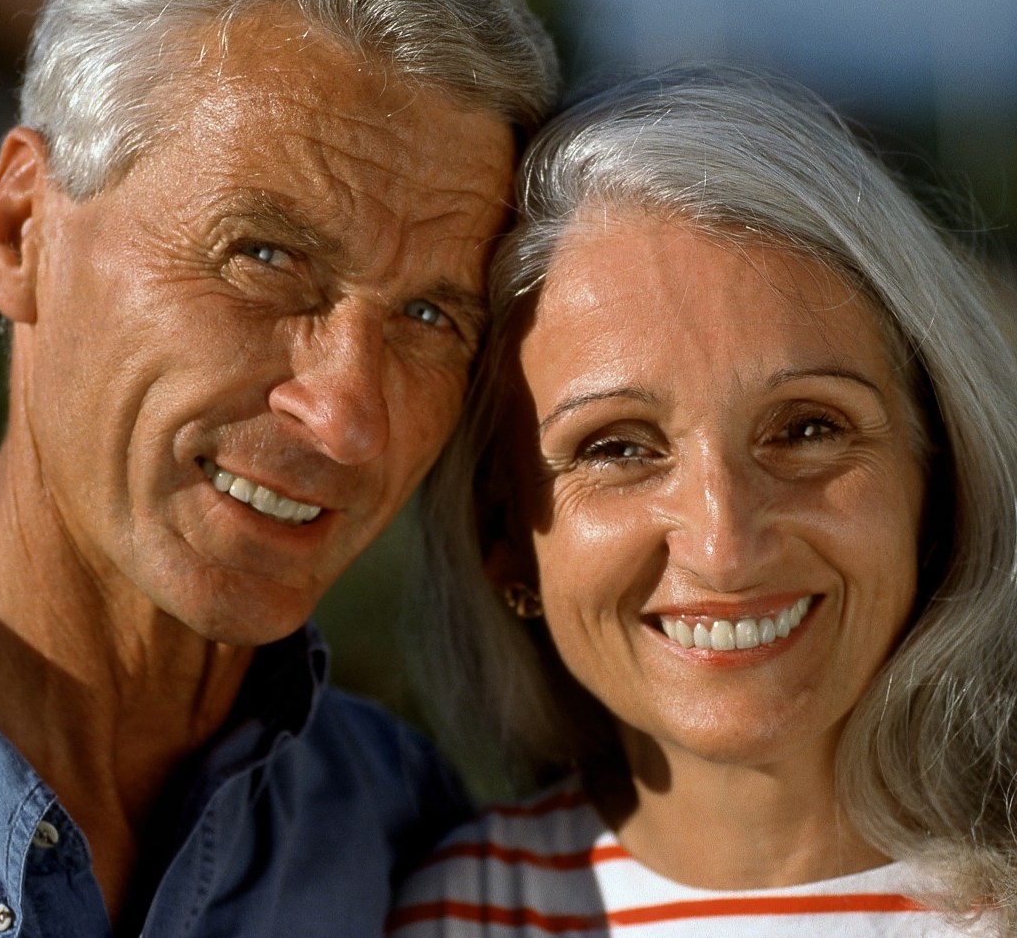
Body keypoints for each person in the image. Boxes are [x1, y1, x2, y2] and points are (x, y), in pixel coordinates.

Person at [0, 0, 558, 934]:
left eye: (430, 317)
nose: (347, 419)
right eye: (263, 257)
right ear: (21, 230)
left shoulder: (415, 846)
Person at [389, 66, 1017, 935]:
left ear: (935, 474)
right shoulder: (460, 914)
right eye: (616, 447)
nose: (724, 545)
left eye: (807, 428)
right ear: (504, 533)